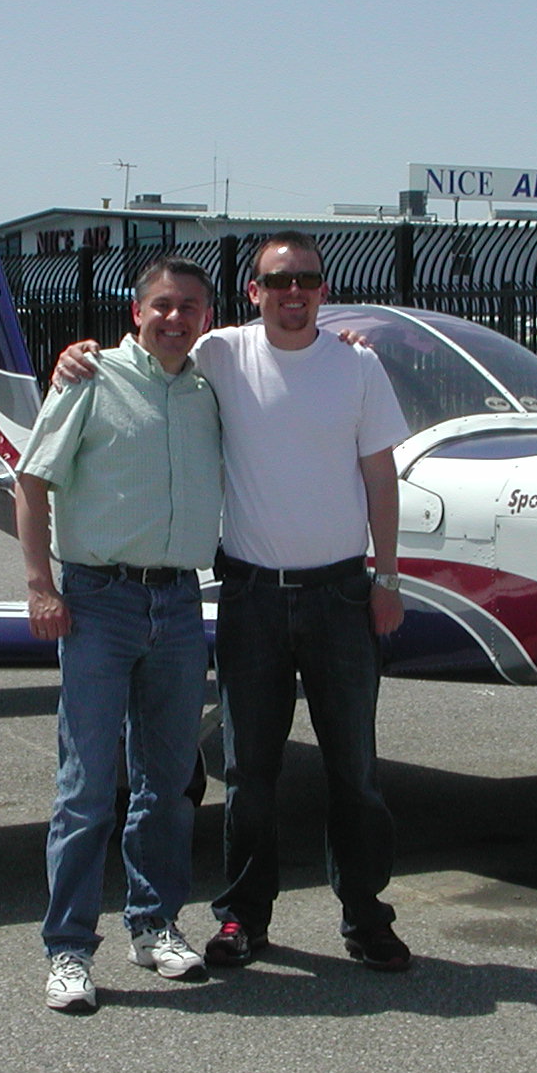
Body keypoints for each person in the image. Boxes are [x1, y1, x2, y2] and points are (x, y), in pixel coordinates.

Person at [57, 231, 414, 972]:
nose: (294, 293)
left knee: (355, 768)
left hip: (342, 593)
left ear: (323, 288)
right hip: (251, 594)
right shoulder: (219, 351)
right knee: (251, 771)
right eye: (279, 281)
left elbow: (381, 477)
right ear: (253, 292)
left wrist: (388, 579)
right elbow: (153, 349)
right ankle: (244, 917)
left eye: (308, 280)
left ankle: (364, 915)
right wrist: (71, 357)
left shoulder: (357, 366)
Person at [15, 256, 222, 1014]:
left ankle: (154, 923)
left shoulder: (208, 389)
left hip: (176, 602)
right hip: (99, 602)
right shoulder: (90, 377)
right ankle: (68, 950)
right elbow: (31, 480)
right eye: (162, 306)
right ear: (137, 313)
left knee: (168, 785)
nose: (175, 318)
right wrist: (41, 585)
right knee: (87, 788)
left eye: (190, 307)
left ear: (207, 316)